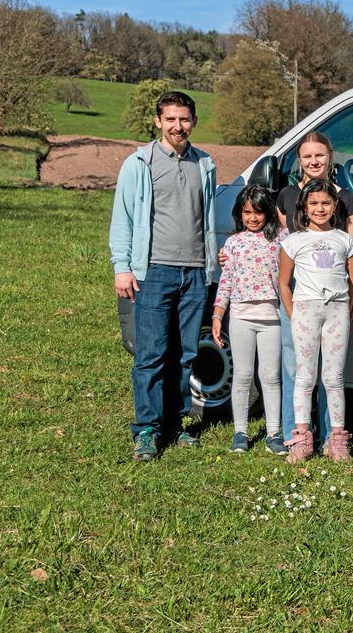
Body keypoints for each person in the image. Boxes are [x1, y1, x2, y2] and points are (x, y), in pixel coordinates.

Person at [110, 91, 217, 461]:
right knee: (151, 354)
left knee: (185, 354)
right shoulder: (139, 163)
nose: (178, 126)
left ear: (194, 121)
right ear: (158, 121)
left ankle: (174, 423)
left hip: (194, 272)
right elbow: (123, 218)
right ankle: (147, 430)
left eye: (184, 119)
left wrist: (209, 266)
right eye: (170, 119)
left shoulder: (205, 164)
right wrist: (121, 267)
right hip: (153, 270)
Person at [274, 133, 353, 452]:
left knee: (332, 374)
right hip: (301, 300)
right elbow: (276, 240)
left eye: (320, 155)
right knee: (298, 370)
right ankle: (297, 436)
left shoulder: (346, 201)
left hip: (335, 302)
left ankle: (333, 437)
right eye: (307, 156)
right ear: (299, 160)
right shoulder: (287, 195)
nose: (314, 161)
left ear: (330, 156)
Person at [211, 185, 287, 455]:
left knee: (270, 376)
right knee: (242, 376)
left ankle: (274, 432)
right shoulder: (233, 243)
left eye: (258, 212)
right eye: (247, 212)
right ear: (239, 214)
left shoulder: (281, 238)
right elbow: (226, 282)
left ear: (268, 212)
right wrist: (218, 314)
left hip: (272, 318)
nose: (253, 218)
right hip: (241, 317)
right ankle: (240, 432)